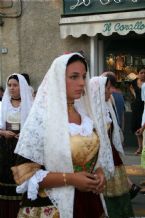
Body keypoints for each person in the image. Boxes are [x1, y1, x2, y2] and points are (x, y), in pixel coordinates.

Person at [11, 53, 114, 218]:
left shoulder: (86, 116)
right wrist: (72, 179)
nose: (81, 83)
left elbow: (94, 157)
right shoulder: (42, 119)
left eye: (83, 76)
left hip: (89, 201)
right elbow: (25, 173)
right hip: (54, 206)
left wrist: (99, 172)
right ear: (58, 79)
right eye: (74, 77)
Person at [89, 76, 134, 218]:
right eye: (107, 88)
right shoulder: (89, 114)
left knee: (121, 197)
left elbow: (113, 134)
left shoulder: (107, 108)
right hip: (100, 161)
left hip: (112, 156)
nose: (110, 91)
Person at [0, 73, 33, 218]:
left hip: (23, 149)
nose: (12, 88)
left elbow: (35, 127)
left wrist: (25, 135)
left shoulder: (30, 106)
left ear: (22, 87)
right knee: (6, 179)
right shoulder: (2, 105)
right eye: (10, 85)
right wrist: (3, 132)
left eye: (15, 85)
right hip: (5, 148)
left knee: (21, 179)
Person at [129, 67, 145, 155]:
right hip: (136, 107)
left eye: (144, 73)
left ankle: (143, 147)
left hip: (144, 106)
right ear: (138, 74)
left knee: (143, 126)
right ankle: (140, 147)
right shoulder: (134, 82)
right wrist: (134, 95)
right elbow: (131, 87)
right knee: (137, 126)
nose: (143, 74)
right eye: (141, 72)